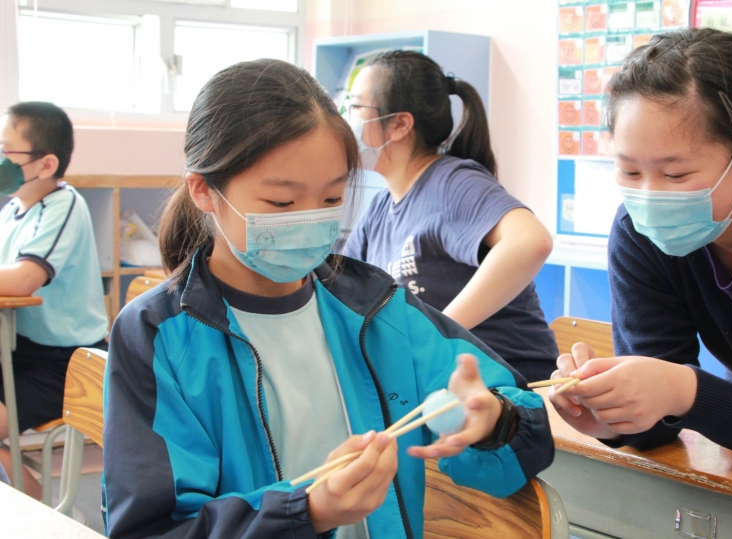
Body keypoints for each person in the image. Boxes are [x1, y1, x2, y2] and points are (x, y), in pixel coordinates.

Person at [102, 59, 554, 539]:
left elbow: (519, 416)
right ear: (204, 191)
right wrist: (307, 512)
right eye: (281, 203)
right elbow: (151, 529)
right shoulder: (158, 336)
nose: (309, 220)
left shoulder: (376, 308)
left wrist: (494, 422)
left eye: (332, 199)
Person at [549, 27, 732, 464]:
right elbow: (658, 415)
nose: (649, 197)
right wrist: (613, 416)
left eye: (675, 175)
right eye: (630, 172)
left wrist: (680, 389)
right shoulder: (638, 233)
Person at [342, 51, 559, 382]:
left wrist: (436, 333)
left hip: (508, 385)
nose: (345, 119)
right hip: (441, 384)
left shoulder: (453, 182)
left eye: (355, 107)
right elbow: (339, 288)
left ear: (400, 124)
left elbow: (531, 241)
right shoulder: (379, 208)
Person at [0, 102, 108, 497]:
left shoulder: (64, 205)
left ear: (46, 164)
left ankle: (35, 512)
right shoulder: (13, 210)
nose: (1, 159)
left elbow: (23, 280)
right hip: (17, 351)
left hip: (62, 362)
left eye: (6, 151)